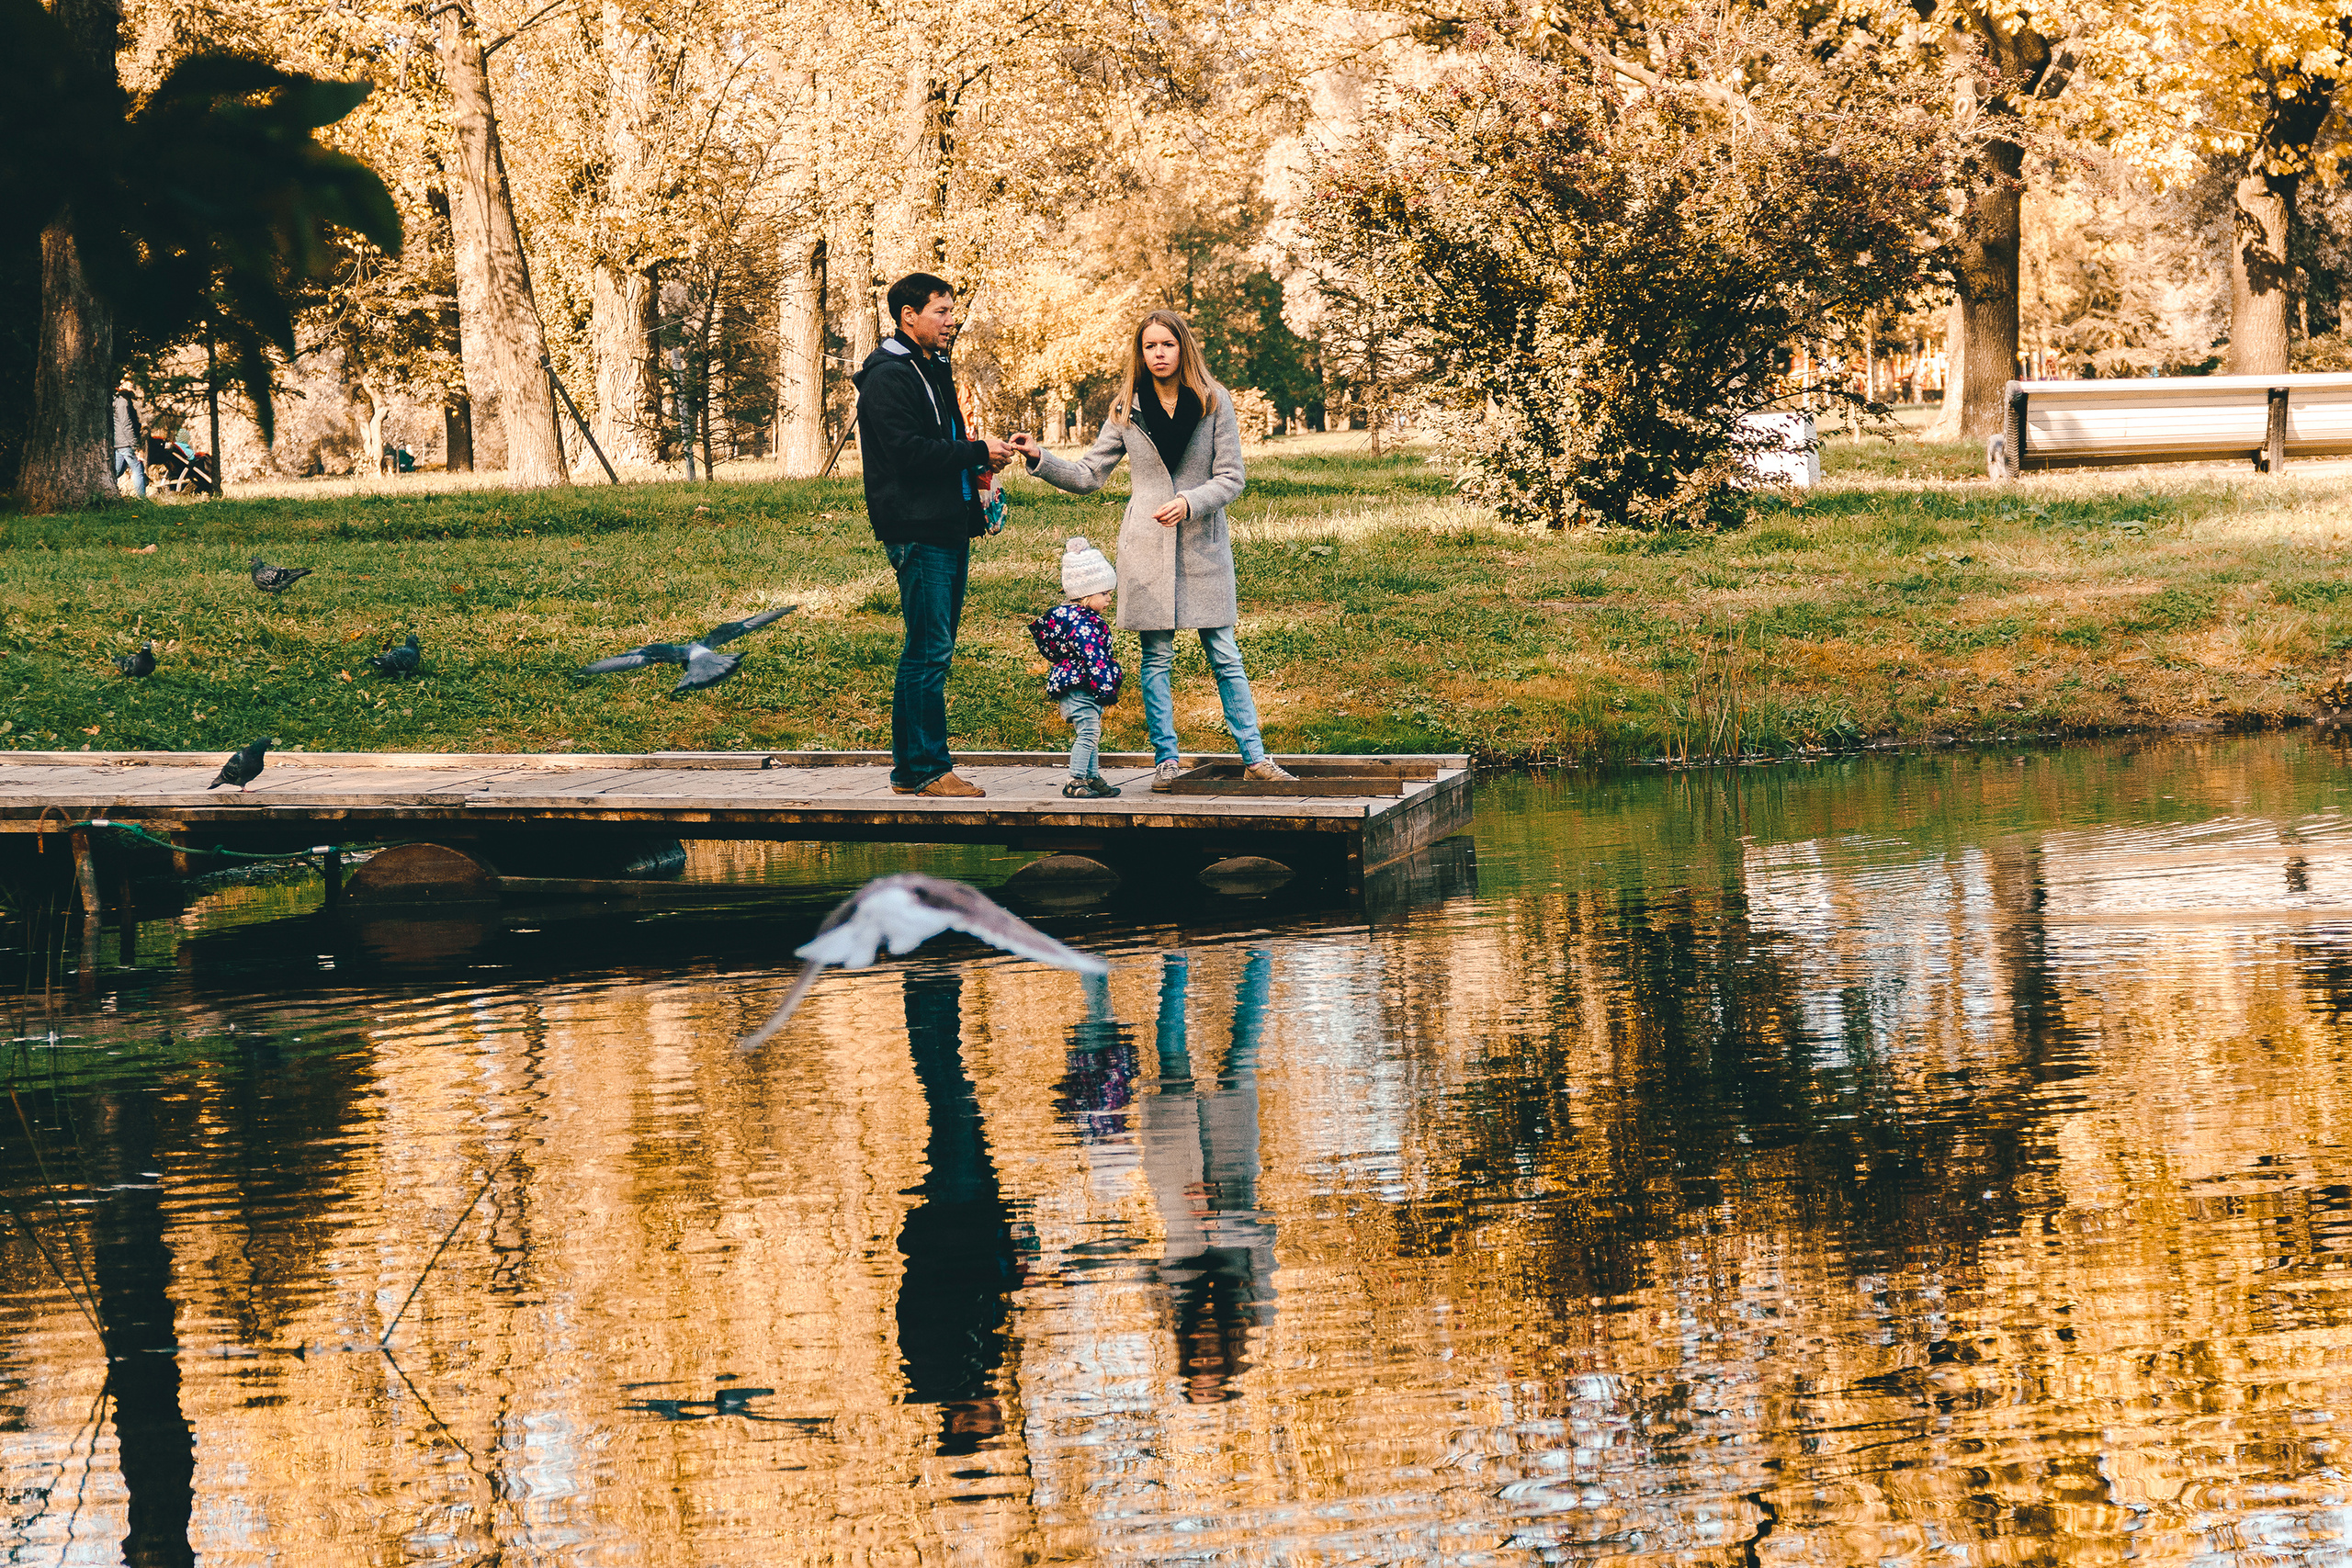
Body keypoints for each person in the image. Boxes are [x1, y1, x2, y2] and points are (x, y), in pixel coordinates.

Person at [1009, 310, 1294, 787]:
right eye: (1149, 346)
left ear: (1183, 348)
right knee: (1155, 658)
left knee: (1225, 654)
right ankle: (1167, 760)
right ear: (1140, 354)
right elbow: (1088, 475)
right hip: (1145, 550)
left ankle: (1256, 758)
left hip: (1203, 545)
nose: (1158, 354)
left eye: (1167, 344)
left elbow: (1231, 477)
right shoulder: (1125, 409)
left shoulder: (1213, 401)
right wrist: (1040, 457)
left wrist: (1189, 501)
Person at [854, 272, 1013, 797]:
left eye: (951, 311)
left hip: (946, 523)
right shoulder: (887, 376)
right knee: (929, 649)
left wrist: (981, 465)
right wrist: (974, 452)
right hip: (917, 528)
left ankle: (911, 770)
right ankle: (925, 769)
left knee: (929, 647)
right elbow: (908, 454)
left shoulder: (930, 365)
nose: (951, 321)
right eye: (941, 312)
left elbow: (945, 438)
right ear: (908, 316)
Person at [1029, 536, 1124, 798]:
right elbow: (1095, 659)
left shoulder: (1074, 619)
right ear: (1085, 594)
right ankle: (1076, 779)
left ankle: (1091, 777)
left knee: (1091, 731)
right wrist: (1107, 688)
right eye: (1104, 593)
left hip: (1080, 685)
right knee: (1089, 732)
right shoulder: (1084, 625)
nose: (1109, 599)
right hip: (1081, 685)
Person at [110, 383, 147, 499]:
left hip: (119, 443)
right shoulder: (122, 402)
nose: (132, 385)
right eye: (128, 382)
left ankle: (111, 495)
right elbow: (126, 425)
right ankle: (143, 500)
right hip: (126, 442)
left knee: (117, 471)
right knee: (137, 468)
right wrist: (135, 446)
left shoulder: (121, 399)